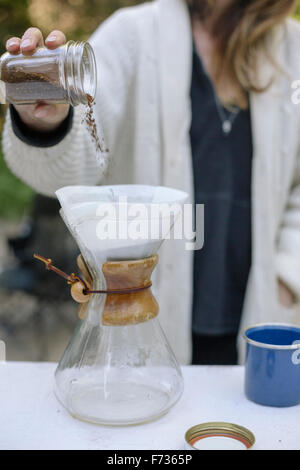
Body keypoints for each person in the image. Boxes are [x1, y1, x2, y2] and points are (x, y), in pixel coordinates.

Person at [2, 0, 300, 365]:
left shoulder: (293, 52)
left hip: (259, 314)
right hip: (142, 322)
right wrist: (48, 123)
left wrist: (287, 274)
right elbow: (69, 169)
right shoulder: (132, 36)